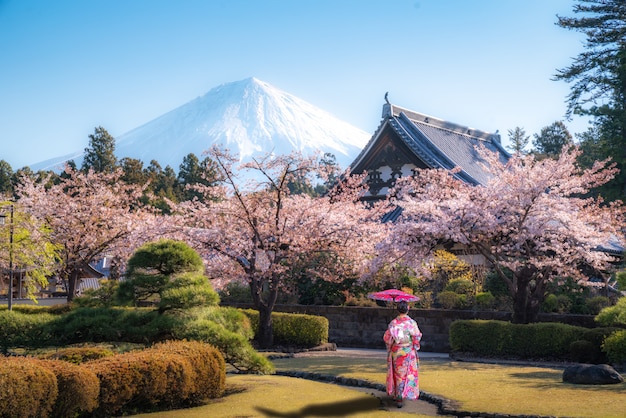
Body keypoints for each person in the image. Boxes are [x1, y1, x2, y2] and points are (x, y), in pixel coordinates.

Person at [383, 300, 422, 408]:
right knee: (406, 374)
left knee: (397, 374)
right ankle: (404, 394)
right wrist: (414, 344)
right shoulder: (411, 323)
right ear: (408, 308)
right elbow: (417, 336)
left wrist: (392, 342)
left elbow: (387, 338)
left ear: (397, 309)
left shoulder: (393, 323)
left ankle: (397, 395)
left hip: (396, 351)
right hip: (408, 351)